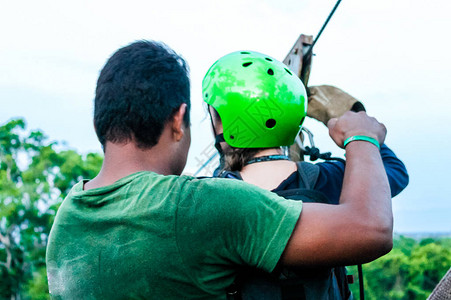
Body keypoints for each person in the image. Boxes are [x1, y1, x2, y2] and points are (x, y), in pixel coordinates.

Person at [46, 40, 393, 299]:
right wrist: (362, 136)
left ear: (100, 122)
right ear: (178, 120)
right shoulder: (198, 208)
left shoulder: (67, 221)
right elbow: (371, 230)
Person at [202, 50, 409, 299]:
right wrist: (358, 130)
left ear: (221, 120)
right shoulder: (330, 179)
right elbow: (394, 172)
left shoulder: (212, 196)